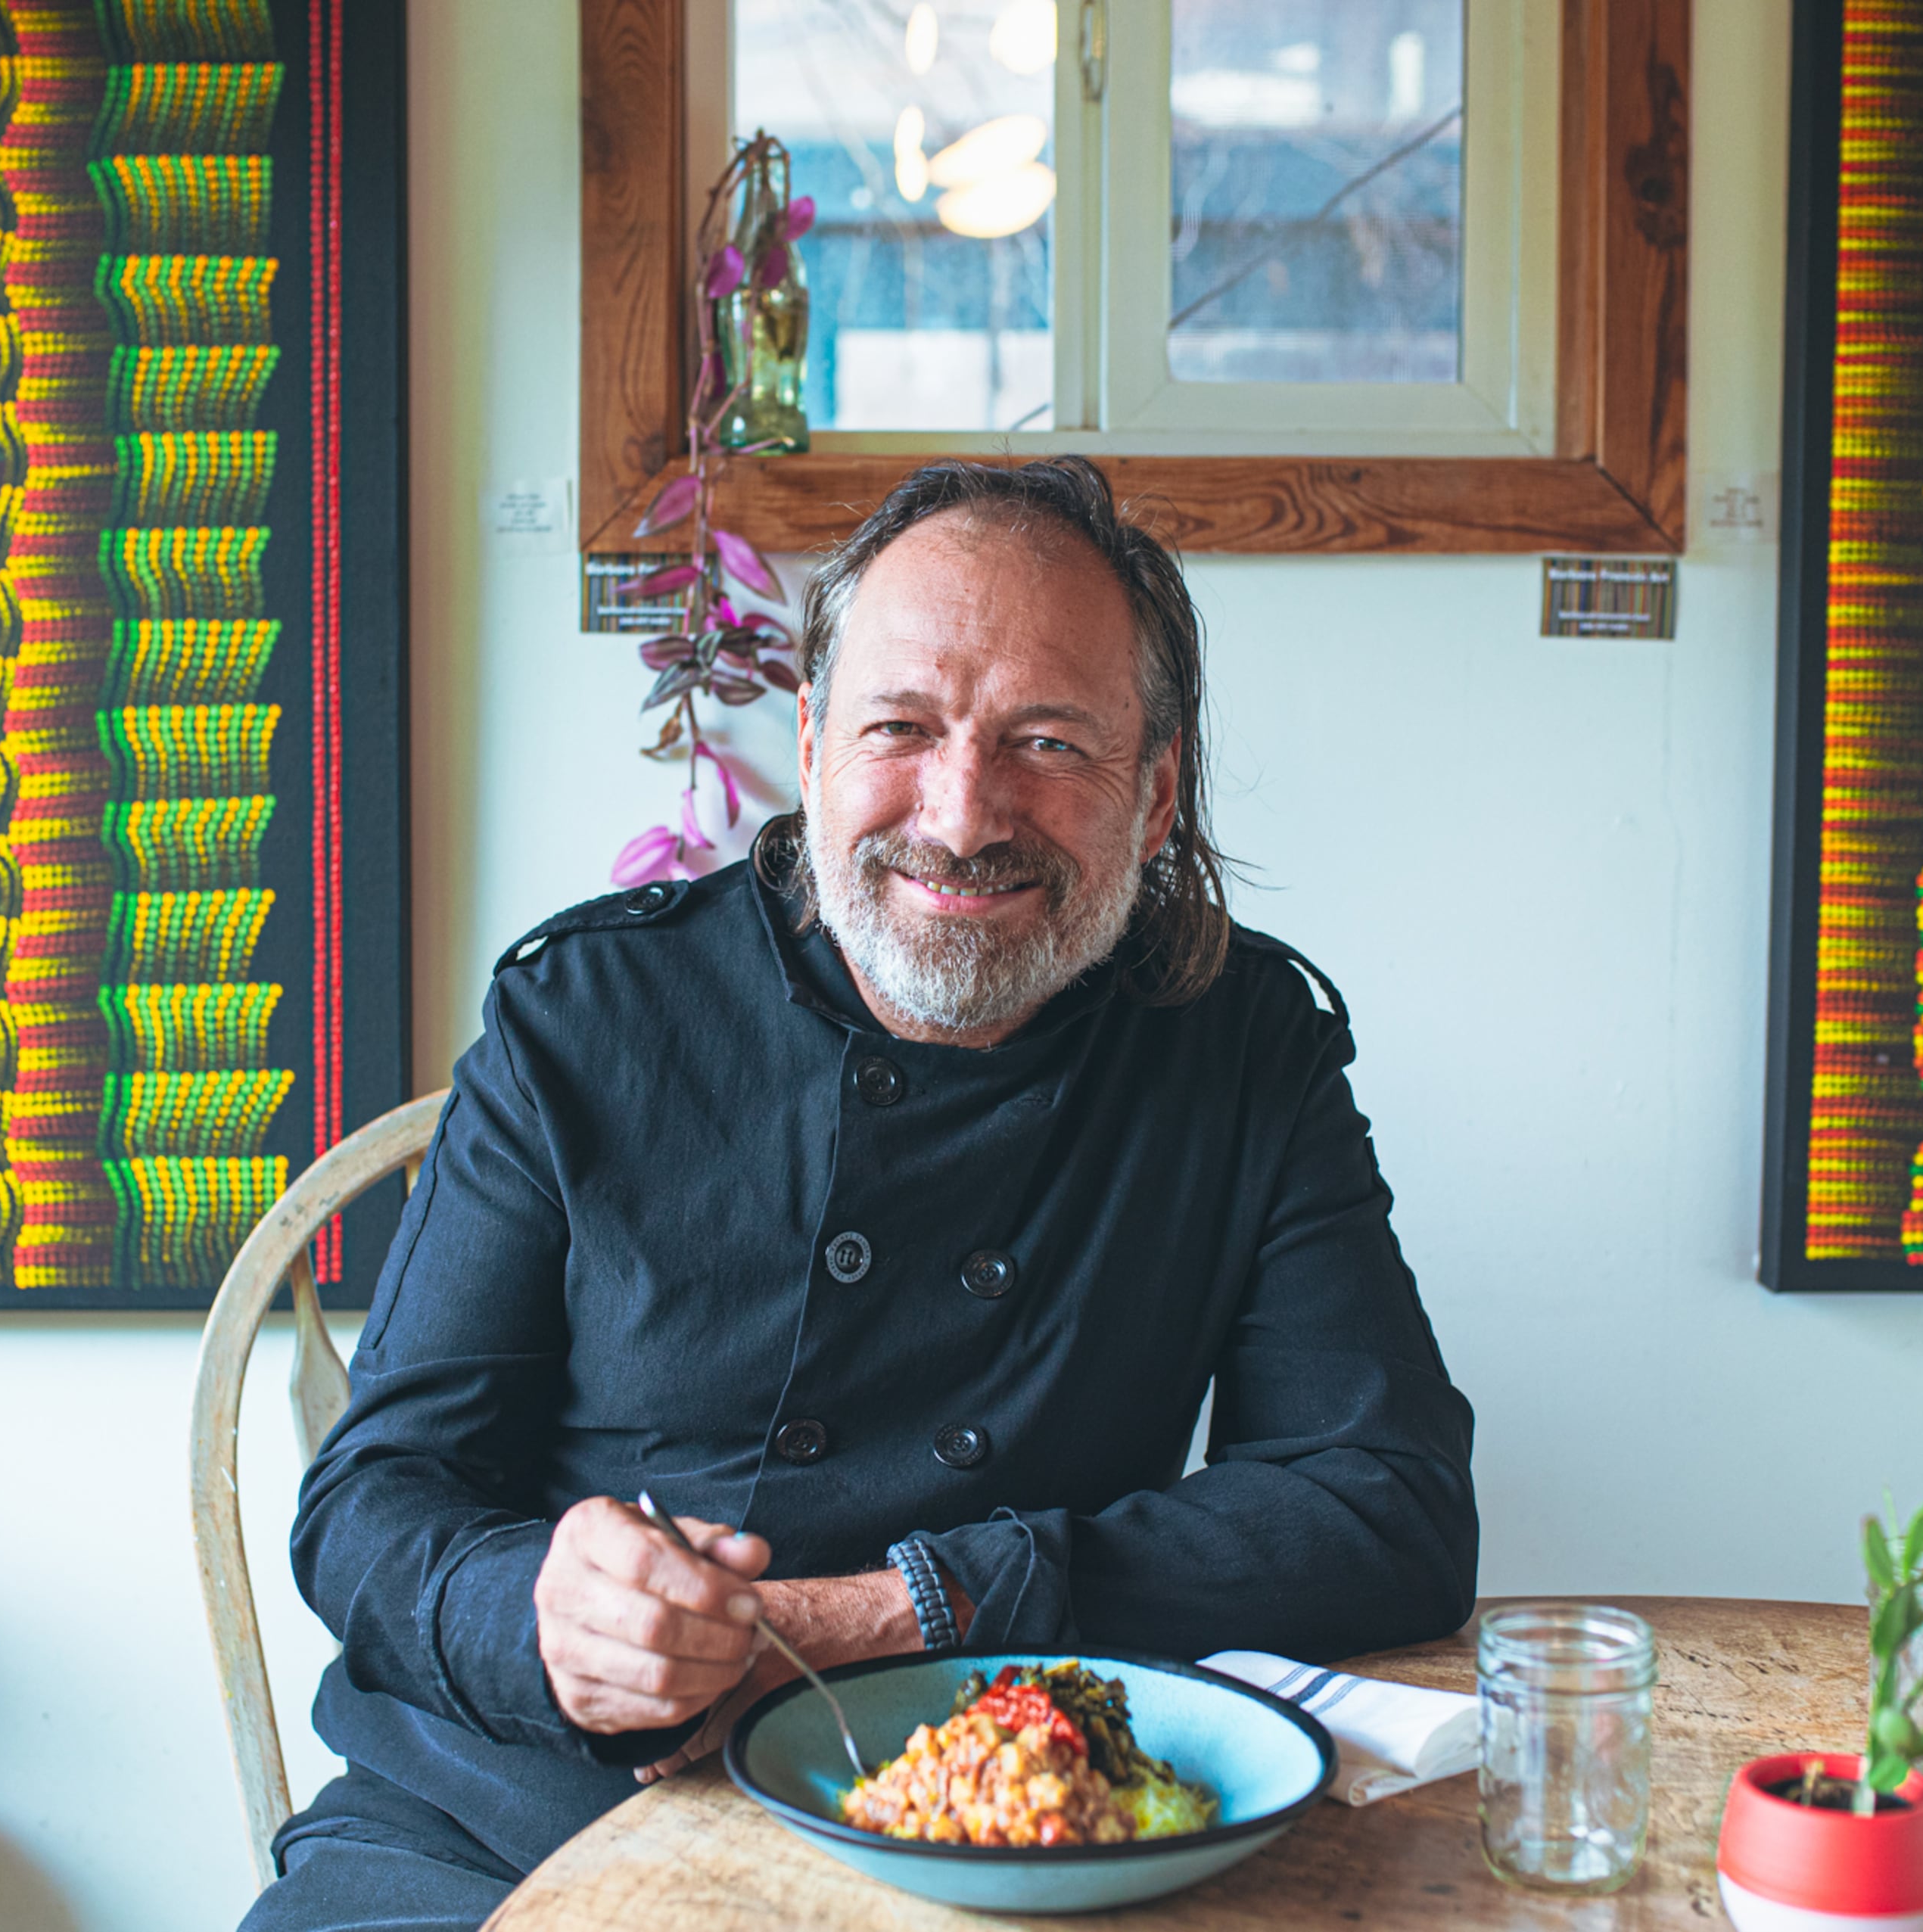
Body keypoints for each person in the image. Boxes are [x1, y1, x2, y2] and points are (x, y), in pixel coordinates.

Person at [242, 456, 1477, 1930]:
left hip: (1018, 1829)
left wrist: (919, 1609)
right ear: (816, 741)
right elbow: (371, 1508)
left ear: (1155, 795)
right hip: (511, 1822)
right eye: (903, 726)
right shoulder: (587, 1017)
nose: (962, 815)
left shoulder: (1238, 1044)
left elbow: (1389, 1506)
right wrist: (548, 1621)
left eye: (1049, 741)